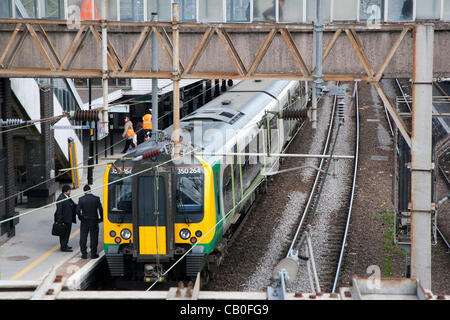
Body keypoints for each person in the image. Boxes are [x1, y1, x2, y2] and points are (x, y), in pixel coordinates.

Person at [76, 185, 103, 259]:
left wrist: (80, 217)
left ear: (84, 191)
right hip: (94, 221)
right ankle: (93, 254)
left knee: (83, 237)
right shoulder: (96, 199)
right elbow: (101, 210)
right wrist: (101, 219)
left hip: (84, 221)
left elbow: (77, 211)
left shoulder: (81, 199)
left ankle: (84, 254)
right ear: (90, 190)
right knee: (94, 237)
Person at [54, 185, 77, 252]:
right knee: (63, 234)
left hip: (68, 219)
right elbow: (59, 211)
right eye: (69, 190)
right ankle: (63, 247)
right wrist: (60, 220)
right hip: (64, 220)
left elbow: (73, 204)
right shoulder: (61, 198)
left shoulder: (67, 197)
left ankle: (65, 244)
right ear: (66, 191)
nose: (70, 192)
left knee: (67, 233)